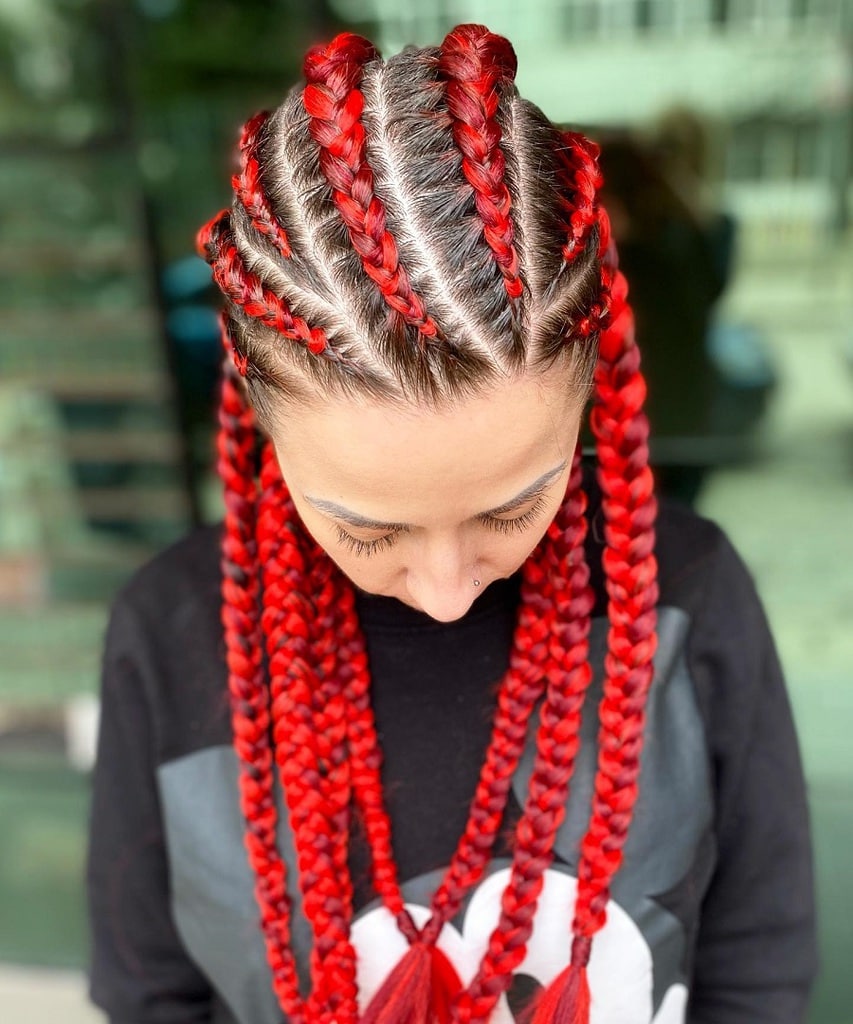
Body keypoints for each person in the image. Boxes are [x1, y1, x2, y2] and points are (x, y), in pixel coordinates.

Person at [86, 25, 817, 1024]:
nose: (445, 588)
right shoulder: (169, 633)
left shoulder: (689, 599)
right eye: (370, 531)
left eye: (512, 506)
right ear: (256, 413)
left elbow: (760, 958)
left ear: (588, 396)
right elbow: (150, 994)